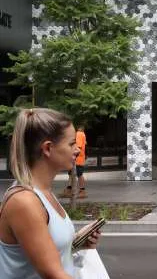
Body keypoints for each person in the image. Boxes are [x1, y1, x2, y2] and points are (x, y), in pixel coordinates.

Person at [0, 108, 101, 279]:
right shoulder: (24, 202)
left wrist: (75, 243)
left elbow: (43, 254)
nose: (77, 150)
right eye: (71, 144)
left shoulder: (44, 193)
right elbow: (54, 274)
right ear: (48, 148)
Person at [62, 126, 87, 199]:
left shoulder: (79, 134)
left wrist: (73, 155)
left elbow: (78, 147)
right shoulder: (82, 134)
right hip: (77, 158)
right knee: (70, 174)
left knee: (79, 174)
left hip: (78, 159)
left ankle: (82, 191)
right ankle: (69, 189)